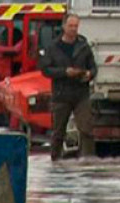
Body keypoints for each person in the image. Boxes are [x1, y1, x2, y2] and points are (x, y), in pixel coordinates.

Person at [39, 13, 97, 161]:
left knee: (86, 129)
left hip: (81, 93)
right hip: (61, 94)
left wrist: (89, 74)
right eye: (71, 26)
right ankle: (55, 160)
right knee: (58, 132)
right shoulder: (53, 47)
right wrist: (64, 72)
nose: (73, 29)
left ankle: (88, 160)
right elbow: (45, 69)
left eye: (76, 26)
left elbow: (93, 67)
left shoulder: (83, 46)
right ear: (64, 26)